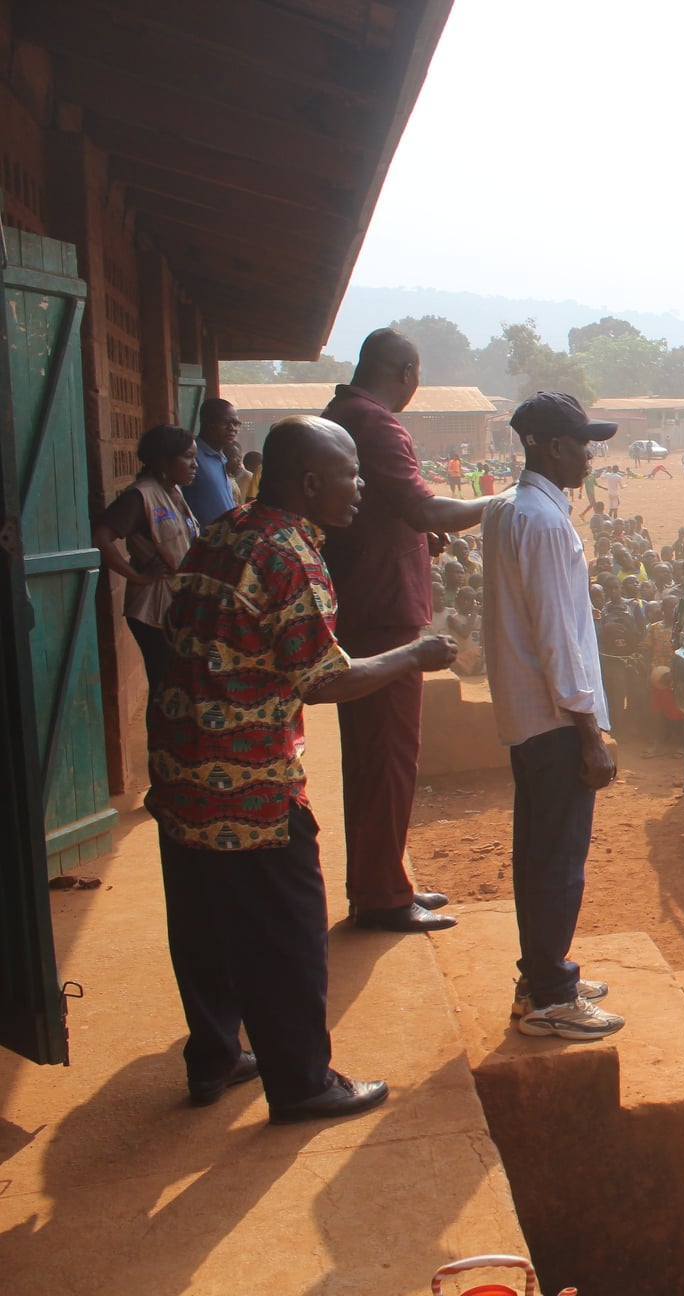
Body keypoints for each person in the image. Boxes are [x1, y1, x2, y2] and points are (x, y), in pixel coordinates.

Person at [146, 416, 459, 1123]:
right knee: (287, 933)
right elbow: (323, 679)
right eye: (352, 475)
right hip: (249, 783)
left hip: (179, 771)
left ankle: (216, 1055)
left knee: (202, 925)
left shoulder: (222, 531)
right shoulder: (290, 556)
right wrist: (414, 654)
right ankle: (303, 1081)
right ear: (312, 483)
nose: (361, 488)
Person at [322, 329, 491, 933]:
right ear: (408, 372)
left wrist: (419, 531)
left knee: (376, 754)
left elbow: (391, 513)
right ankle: (381, 896)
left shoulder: (342, 414)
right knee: (388, 756)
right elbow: (422, 507)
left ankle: (383, 879)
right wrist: (504, 503)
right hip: (383, 611)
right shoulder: (378, 424)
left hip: (362, 603)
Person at [483, 392, 625, 1040]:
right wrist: (588, 731)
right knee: (559, 861)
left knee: (539, 855)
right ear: (546, 445)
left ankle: (540, 975)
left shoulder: (510, 510)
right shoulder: (542, 522)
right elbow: (556, 636)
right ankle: (551, 997)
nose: (589, 457)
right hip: (554, 720)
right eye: (580, 444)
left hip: (529, 716)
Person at [92, 423, 200, 690]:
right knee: (165, 687)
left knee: (177, 685)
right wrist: (138, 576)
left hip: (174, 603)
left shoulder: (173, 492)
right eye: (187, 457)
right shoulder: (140, 496)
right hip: (152, 609)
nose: (194, 465)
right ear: (163, 461)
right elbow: (100, 539)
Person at [177, 397, 240, 527]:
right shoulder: (192, 457)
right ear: (208, 423)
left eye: (236, 423)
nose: (232, 428)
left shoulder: (220, 457)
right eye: (226, 423)